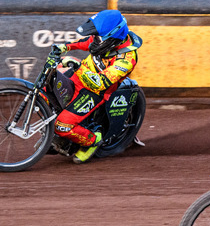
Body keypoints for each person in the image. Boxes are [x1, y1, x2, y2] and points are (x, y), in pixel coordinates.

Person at [50, 10, 143, 163]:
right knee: (49, 92)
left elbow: (100, 83)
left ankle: (93, 141)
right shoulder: (101, 40)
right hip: (78, 77)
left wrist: (77, 66)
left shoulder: (127, 59)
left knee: (62, 125)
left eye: (98, 38)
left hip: (95, 91)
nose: (95, 40)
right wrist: (64, 47)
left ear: (112, 39)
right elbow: (86, 43)